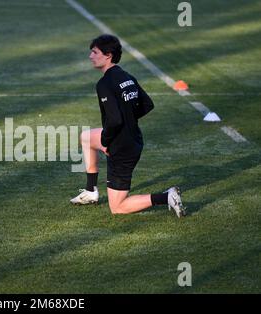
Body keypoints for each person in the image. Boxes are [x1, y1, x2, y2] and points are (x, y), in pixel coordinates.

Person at [70, 34, 186, 218]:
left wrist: (106, 142)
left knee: (117, 207)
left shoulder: (104, 84)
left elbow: (115, 120)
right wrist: (128, 118)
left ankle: (165, 197)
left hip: (121, 148)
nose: (90, 56)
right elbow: (148, 104)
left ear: (108, 55)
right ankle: (91, 190)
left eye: (94, 52)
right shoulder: (127, 77)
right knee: (86, 137)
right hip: (132, 137)